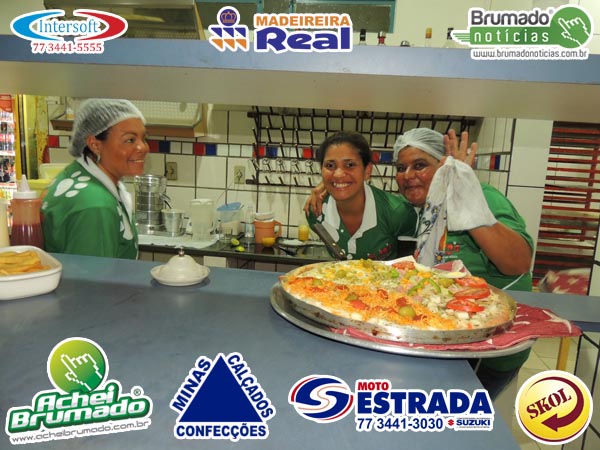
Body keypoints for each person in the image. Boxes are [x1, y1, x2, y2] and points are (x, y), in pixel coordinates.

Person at [307, 128, 534, 398]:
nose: (407, 175)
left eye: (420, 165)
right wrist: (333, 187)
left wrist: (466, 201)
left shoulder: (480, 196)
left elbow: (519, 262)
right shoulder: (429, 209)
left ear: (443, 166)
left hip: (489, 349)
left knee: (452, 422)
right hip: (448, 340)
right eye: (401, 168)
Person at [41, 99, 149, 259]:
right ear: (95, 145)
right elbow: (94, 274)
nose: (143, 147)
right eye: (130, 140)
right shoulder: (96, 206)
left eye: (143, 139)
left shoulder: (75, 174)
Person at [306, 131, 417, 260]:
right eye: (330, 165)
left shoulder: (398, 213)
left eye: (350, 165)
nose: (338, 174)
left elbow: (409, 265)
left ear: (367, 171)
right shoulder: (316, 212)